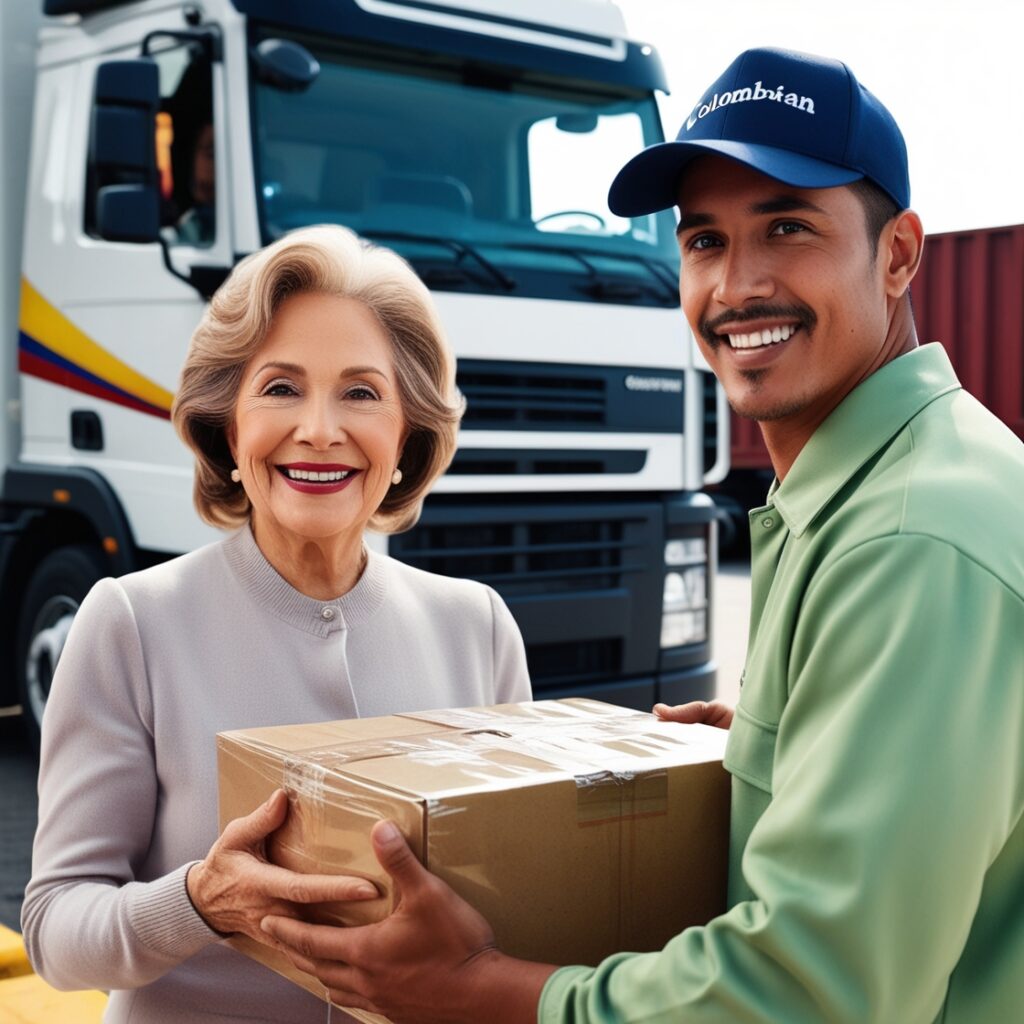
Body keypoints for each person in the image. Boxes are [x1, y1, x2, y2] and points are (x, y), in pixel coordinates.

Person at [259, 47, 1024, 1023]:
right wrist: (782, 745)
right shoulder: (891, 484)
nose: (736, 286)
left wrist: (480, 993)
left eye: (786, 228)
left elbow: (817, 994)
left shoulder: (909, 542)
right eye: (703, 241)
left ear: (899, 253)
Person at [21, 224, 532, 1023]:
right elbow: (55, 933)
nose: (320, 429)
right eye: (281, 388)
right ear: (229, 429)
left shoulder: (480, 627)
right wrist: (200, 901)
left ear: (408, 434)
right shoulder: (132, 621)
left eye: (361, 392)